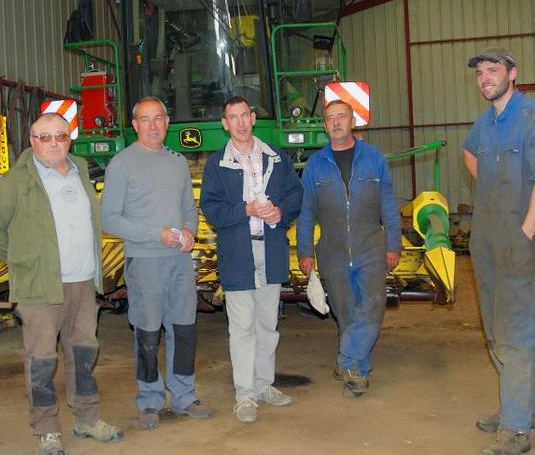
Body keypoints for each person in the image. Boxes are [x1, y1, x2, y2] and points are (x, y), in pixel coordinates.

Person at [0, 112, 122, 455]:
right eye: (45, 137)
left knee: (84, 355)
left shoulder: (81, 171)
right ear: (33, 141)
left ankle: (87, 418)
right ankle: (47, 430)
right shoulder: (17, 180)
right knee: (42, 361)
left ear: (69, 138)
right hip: (40, 288)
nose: (54, 142)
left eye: (60, 135)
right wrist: (22, 261)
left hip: (83, 282)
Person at [462, 48, 535, 455]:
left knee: (515, 331)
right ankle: (524, 407)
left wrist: (526, 229)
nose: (485, 78)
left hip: (518, 240)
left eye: (493, 71)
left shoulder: (531, 116)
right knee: (493, 328)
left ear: (513, 74)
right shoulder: (485, 123)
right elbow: (469, 153)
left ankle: (516, 429)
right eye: (481, 73)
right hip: (486, 238)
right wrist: (488, 188)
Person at [101, 97, 214, 430]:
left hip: (179, 260)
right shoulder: (121, 164)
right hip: (145, 262)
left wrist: (190, 232)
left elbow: (188, 208)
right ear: (135, 125)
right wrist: (155, 234)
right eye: (144, 120)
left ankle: (183, 396)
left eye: (158, 119)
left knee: (184, 329)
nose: (152, 125)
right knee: (148, 332)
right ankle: (149, 399)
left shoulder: (178, 163)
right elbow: (109, 219)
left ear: (167, 122)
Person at [200, 96, 302, 423]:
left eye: (245, 115)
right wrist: (246, 210)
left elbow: (295, 194)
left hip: (270, 249)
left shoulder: (276, 157)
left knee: (267, 324)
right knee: (241, 327)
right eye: (233, 117)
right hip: (237, 253)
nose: (241, 122)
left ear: (253, 118)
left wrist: (280, 211)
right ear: (225, 124)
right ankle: (244, 395)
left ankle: (263, 385)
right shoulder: (217, 165)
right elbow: (212, 210)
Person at [297, 100, 401, 398]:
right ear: (325, 125)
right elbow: (306, 213)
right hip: (332, 251)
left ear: (352, 120)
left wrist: (393, 244)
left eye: (341, 116)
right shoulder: (316, 164)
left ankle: (347, 359)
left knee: (372, 306)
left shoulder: (374, 158)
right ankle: (358, 371)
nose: (336, 122)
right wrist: (305, 251)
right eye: (330, 118)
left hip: (370, 247)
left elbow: (389, 205)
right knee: (346, 313)